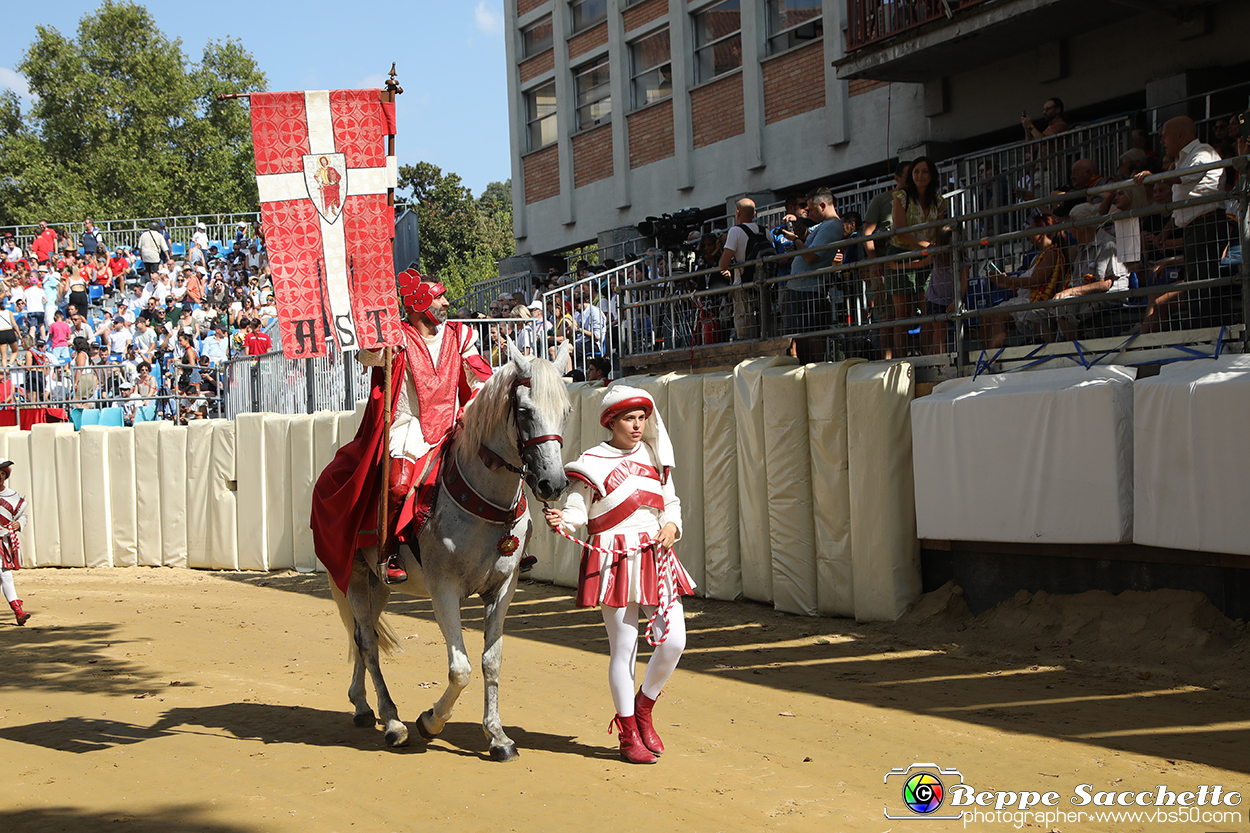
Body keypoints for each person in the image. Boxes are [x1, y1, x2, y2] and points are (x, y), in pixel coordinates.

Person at [311, 273, 492, 589]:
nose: (446, 303)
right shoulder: (397, 339)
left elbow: (480, 379)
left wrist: (473, 411)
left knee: (498, 464)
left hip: (456, 425)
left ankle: (510, 543)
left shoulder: (461, 335)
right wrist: (374, 330)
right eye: (438, 297)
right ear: (420, 303)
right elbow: (367, 356)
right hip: (409, 428)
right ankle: (388, 550)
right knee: (397, 485)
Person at [543, 386, 694, 764]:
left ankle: (644, 707)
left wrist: (672, 526)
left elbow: (671, 503)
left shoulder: (655, 454)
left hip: (656, 557)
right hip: (613, 559)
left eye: (642, 418)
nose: (638, 425)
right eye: (630, 419)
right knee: (624, 649)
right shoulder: (591, 462)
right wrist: (564, 519)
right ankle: (628, 735)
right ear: (611, 421)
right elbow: (578, 509)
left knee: (674, 640)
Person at [0, 460, 31, 625]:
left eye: (2, 473)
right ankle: (17, 610)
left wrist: (19, 524)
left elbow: (22, 516)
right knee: (4, 574)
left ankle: (18, 611)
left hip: (4, 542)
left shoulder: (12, 496)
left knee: (2, 574)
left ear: (5, 476)